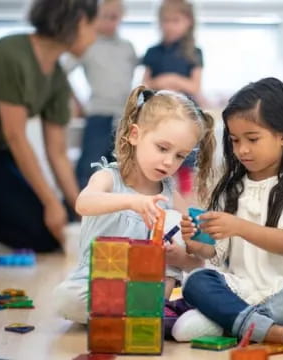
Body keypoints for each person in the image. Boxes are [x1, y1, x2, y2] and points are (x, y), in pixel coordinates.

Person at [177, 78, 283, 350]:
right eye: (235, 140)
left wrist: (238, 226)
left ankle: (233, 321)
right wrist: (197, 245)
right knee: (196, 282)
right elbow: (217, 253)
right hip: (241, 290)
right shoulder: (231, 188)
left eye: (252, 139)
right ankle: (280, 333)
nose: (242, 150)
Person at [53, 85, 216, 326]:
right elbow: (83, 203)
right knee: (64, 299)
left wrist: (179, 256)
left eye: (180, 156)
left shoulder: (170, 195)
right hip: (97, 282)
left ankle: (138, 312)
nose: (169, 162)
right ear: (135, 134)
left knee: (175, 225)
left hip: (146, 288)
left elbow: (197, 261)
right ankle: (136, 314)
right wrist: (133, 201)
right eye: (162, 148)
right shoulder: (109, 177)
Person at [0, 0, 99, 252]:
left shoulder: (58, 78)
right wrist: (51, 203)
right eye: (94, 26)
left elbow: (58, 153)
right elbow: (16, 135)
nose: (94, 37)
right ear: (81, 21)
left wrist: (79, 210)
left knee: (55, 231)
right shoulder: (11, 55)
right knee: (42, 227)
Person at [63, 0, 138, 189]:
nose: (108, 21)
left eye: (113, 17)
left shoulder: (127, 47)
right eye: (103, 16)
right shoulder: (87, 44)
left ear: (121, 17)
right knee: (90, 165)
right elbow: (61, 71)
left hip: (124, 117)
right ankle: (79, 209)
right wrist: (77, 103)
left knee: (123, 167)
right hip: (98, 114)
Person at [142, 0, 204, 200]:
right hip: (160, 115)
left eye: (175, 21)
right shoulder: (153, 52)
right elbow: (144, 85)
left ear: (189, 22)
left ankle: (184, 202)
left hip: (185, 114)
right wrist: (160, 82)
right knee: (161, 154)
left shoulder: (194, 52)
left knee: (185, 159)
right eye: (165, 21)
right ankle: (158, 196)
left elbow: (194, 86)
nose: (169, 26)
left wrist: (174, 80)